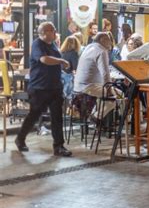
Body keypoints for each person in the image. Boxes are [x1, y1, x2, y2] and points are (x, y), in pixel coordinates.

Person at [15, 22, 72, 157]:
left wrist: (61, 66)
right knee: (33, 115)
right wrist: (61, 61)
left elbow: (52, 60)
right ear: (44, 32)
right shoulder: (37, 44)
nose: (55, 31)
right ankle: (20, 138)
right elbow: (44, 59)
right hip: (40, 88)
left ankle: (59, 146)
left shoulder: (53, 44)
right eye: (52, 30)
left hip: (55, 87)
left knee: (57, 117)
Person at [74, 32, 116, 118]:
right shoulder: (101, 51)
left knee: (108, 95)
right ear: (102, 40)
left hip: (78, 86)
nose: (110, 42)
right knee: (117, 96)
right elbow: (105, 73)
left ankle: (97, 118)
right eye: (108, 39)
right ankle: (97, 117)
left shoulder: (88, 48)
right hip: (89, 87)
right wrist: (109, 89)